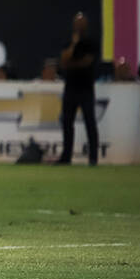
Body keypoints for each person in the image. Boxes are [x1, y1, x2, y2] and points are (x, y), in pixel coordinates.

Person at [56, 11, 99, 165]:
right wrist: (74, 45)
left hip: (86, 88)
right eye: (77, 23)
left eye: (82, 23)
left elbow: (87, 62)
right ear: (73, 25)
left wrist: (72, 64)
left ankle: (93, 158)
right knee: (67, 122)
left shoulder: (91, 43)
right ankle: (66, 157)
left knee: (90, 122)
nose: (79, 26)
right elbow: (64, 61)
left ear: (86, 25)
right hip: (71, 88)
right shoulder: (69, 42)